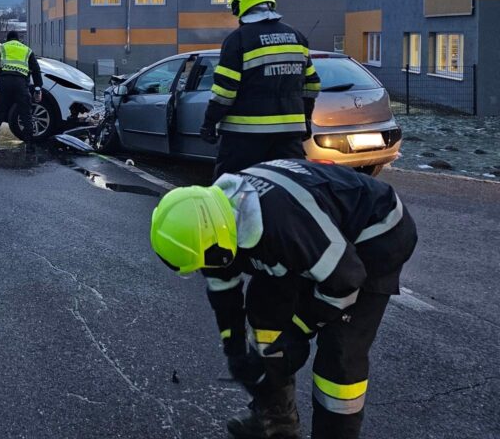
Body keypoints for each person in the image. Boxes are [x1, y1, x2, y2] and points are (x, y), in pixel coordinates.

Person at [150, 159, 417, 439]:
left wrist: (298, 332)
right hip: (316, 238)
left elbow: (346, 280)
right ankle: (275, 420)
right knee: (264, 310)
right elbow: (223, 290)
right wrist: (234, 346)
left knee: (339, 356)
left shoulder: (283, 225)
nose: (208, 268)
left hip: (374, 232)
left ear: (221, 246)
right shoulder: (213, 220)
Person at [201, 0, 321, 178]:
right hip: (288, 137)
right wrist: (305, 119)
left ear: (241, 4)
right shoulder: (297, 37)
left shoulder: (238, 40)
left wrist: (209, 122)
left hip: (243, 138)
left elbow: (225, 92)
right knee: (288, 190)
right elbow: (312, 85)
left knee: (231, 190)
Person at [0, 30, 43, 147]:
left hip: (4, 82)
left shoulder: (2, 48)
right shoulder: (27, 50)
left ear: (8, 39)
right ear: (18, 39)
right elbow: (36, 70)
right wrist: (38, 88)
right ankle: (29, 143)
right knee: (25, 113)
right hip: (21, 84)